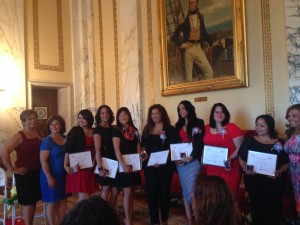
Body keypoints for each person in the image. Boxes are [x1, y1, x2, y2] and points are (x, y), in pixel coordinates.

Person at [239, 114, 289, 225]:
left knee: (273, 210)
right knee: (257, 209)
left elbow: (286, 163)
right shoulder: (249, 141)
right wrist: (246, 169)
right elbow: (241, 159)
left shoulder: (279, 142)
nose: (258, 127)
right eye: (257, 125)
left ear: (270, 127)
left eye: (262, 125)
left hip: (274, 182)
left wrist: (279, 171)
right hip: (254, 181)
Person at [0, 109, 43, 225]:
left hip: (37, 172)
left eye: (35, 118)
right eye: (29, 119)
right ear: (23, 122)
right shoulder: (19, 135)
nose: (33, 121)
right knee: (28, 202)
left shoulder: (39, 133)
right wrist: (12, 170)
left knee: (33, 201)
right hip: (25, 174)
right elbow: (4, 152)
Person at [141, 104, 177, 225]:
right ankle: (154, 221)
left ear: (162, 114)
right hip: (149, 166)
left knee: (164, 193)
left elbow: (172, 147)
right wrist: (143, 153)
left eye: (157, 113)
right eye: (152, 114)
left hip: (165, 166)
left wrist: (161, 161)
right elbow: (143, 147)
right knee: (151, 193)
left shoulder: (169, 129)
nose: (154, 116)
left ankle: (164, 219)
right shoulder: (147, 128)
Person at [203, 103, 244, 196]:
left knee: (229, 196)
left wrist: (230, 158)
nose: (219, 114)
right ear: (212, 114)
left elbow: (241, 147)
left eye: (222, 112)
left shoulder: (232, 127)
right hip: (212, 168)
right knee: (214, 197)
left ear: (225, 114)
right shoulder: (206, 128)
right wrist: (203, 157)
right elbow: (203, 146)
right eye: (216, 112)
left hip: (229, 167)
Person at [174, 100, 205, 225]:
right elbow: (174, 145)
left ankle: (197, 220)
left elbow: (199, 143)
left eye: (183, 108)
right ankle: (190, 220)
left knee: (193, 194)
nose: (181, 111)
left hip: (193, 162)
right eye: (179, 109)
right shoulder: (177, 126)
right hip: (181, 164)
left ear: (189, 109)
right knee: (185, 191)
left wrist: (191, 157)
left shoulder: (199, 123)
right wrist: (176, 159)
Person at [112, 107, 142, 225]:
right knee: (127, 191)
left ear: (129, 116)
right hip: (123, 164)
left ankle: (129, 215)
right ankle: (128, 219)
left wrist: (140, 156)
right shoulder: (117, 131)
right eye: (120, 116)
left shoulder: (134, 130)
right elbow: (116, 150)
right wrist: (123, 166)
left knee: (132, 191)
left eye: (125, 115)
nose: (122, 117)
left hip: (134, 164)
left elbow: (138, 146)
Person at [172, 0, 214, 82]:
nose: (191, 5)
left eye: (193, 2)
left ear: (196, 4)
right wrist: (182, 45)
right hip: (189, 49)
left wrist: (213, 43)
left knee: (210, 73)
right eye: (190, 3)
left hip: (198, 48)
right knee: (189, 79)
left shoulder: (201, 18)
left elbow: (204, 33)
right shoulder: (184, 21)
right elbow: (174, 37)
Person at [39, 115, 70, 225]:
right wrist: (49, 177)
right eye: (51, 125)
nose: (54, 126)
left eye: (56, 124)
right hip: (50, 176)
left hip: (63, 175)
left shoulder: (66, 139)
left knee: (63, 201)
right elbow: (43, 161)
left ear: (61, 126)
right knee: (52, 202)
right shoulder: (47, 141)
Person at [64, 109, 98, 202]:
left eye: (83, 118)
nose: (80, 120)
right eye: (79, 118)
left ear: (89, 119)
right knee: (84, 196)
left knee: (89, 194)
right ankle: (78, 215)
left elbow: (98, 149)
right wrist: (65, 165)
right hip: (79, 166)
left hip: (92, 166)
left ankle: (81, 215)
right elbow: (68, 149)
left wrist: (95, 162)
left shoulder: (95, 130)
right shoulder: (75, 130)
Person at [93, 105, 119, 207]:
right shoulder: (98, 130)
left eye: (107, 112)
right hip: (104, 162)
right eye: (102, 113)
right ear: (99, 115)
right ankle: (103, 215)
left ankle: (110, 213)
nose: (105, 115)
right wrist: (100, 168)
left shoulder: (114, 128)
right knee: (106, 188)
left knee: (116, 189)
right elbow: (97, 150)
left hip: (115, 161)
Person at [284, 104, 300, 221]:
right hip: (294, 177)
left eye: (294, 115)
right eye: (289, 116)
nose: (290, 118)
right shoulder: (291, 134)